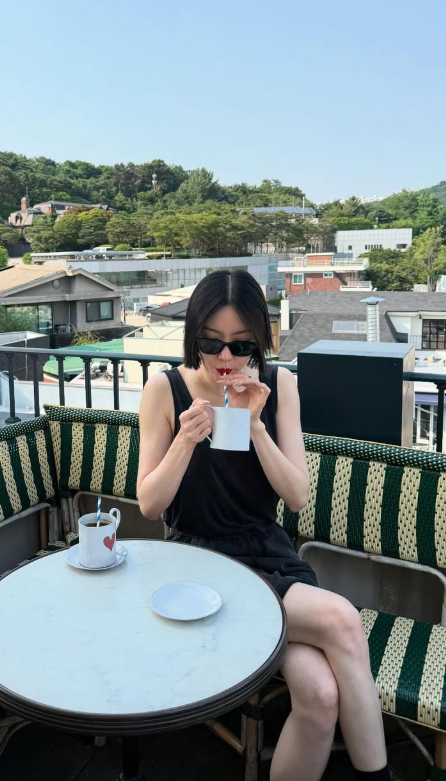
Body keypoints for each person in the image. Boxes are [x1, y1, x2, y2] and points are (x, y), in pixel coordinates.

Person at [137, 270, 390, 781]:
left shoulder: (280, 385)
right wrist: (185, 440)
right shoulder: (166, 389)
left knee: (320, 695)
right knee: (342, 620)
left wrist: (255, 425)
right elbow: (149, 504)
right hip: (196, 560)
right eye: (211, 342)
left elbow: (296, 496)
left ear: (260, 340)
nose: (225, 357)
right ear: (193, 336)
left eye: (242, 345)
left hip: (267, 553)